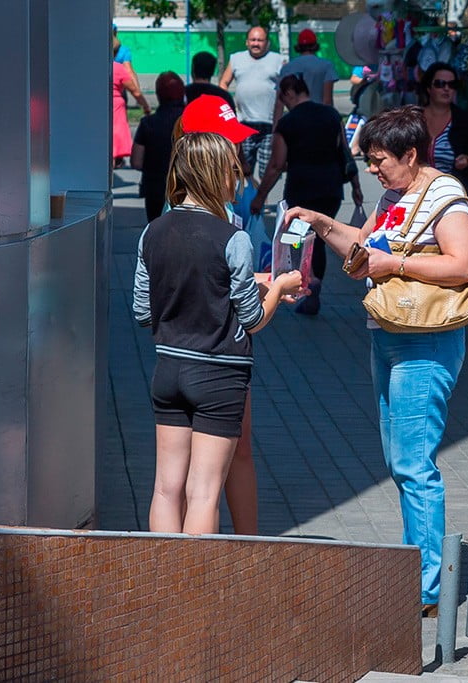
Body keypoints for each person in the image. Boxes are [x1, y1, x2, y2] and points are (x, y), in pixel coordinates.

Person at [282, 106, 468, 616]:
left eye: (379, 160)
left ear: (410, 155)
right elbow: (363, 244)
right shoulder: (397, 193)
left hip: (426, 340)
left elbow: (463, 263)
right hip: (390, 332)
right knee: (400, 461)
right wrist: (322, 222)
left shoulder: (445, 198)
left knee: (414, 464)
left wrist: (398, 263)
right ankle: (418, 570)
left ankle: (428, 588)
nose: (372, 169)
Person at [133, 132, 303, 535]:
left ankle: (163, 581)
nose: (239, 175)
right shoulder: (233, 238)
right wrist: (279, 287)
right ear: (216, 174)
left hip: (168, 369)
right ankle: (195, 589)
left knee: (166, 488)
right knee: (204, 491)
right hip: (220, 375)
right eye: (233, 168)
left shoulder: (151, 232)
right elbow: (252, 318)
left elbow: (143, 313)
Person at [175, 94, 265, 534]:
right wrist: (271, 289)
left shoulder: (194, 208)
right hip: (218, 356)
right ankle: (209, 570)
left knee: (227, 457)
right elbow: (246, 311)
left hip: (182, 357)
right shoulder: (211, 213)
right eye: (231, 142)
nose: (239, 153)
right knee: (200, 482)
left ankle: (244, 552)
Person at [249, 74, 363, 315]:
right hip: (331, 189)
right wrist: (356, 187)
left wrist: (260, 196)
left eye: (282, 97)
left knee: (297, 240)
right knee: (320, 239)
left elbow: (276, 165)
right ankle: (313, 283)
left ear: (289, 93)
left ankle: (301, 285)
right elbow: (344, 151)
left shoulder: (288, 123)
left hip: (301, 190)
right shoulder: (331, 115)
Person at [418, 63, 468, 222]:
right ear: (429, 88)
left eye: (452, 84)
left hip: (455, 200)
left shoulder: (466, 121)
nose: (446, 89)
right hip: (418, 198)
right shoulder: (414, 119)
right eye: (440, 84)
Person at [219, 26, 286, 181]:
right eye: (253, 40)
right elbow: (224, 82)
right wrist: (229, 108)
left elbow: (286, 88)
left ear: (267, 43)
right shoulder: (236, 58)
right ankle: (243, 202)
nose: (256, 44)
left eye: (260, 40)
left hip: (270, 126)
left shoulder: (278, 60)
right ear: (247, 42)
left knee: (268, 172)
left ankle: (263, 202)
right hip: (244, 125)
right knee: (240, 170)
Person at [132, 71, 187, 222]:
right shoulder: (193, 121)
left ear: (158, 94)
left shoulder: (148, 123)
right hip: (187, 189)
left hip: (155, 189)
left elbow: (136, 161)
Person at [112, 40, 150, 167]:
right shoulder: (118, 68)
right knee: (116, 131)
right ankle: (114, 160)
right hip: (116, 104)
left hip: (97, 104)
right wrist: (145, 106)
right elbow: (135, 91)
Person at [278, 29, 338, 105]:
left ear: (299, 46)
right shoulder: (326, 65)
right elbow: (327, 100)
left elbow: (280, 101)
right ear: (315, 45)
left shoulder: (288, 68)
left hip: (296, 114)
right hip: (318, 113)